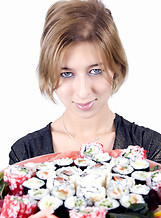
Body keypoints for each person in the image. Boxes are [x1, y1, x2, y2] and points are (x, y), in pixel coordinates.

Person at [9, 0, 161, 165]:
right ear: (49, 74)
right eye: (66, 73)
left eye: (95, 71)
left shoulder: (151, 148)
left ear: (116, 66)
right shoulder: (25, 153)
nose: (83, 92)